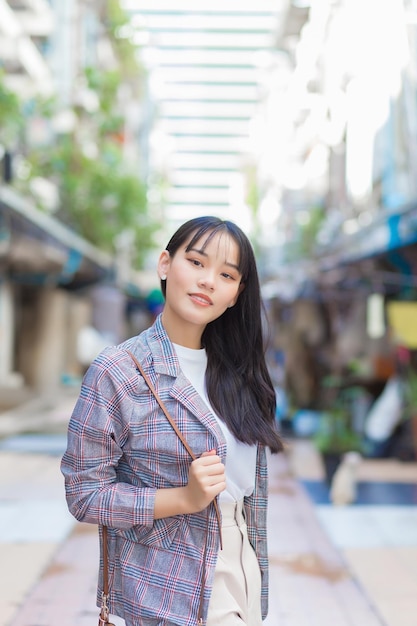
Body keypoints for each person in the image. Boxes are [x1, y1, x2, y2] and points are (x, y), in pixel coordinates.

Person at [61, 216, 283, 626]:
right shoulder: (118, 370)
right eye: (196, 263)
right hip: (163, 585)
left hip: (242, 574)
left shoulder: (241, 375)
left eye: (226, 274)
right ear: (165, 265)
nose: (208, 281)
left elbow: (251, 496)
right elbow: (84, 493)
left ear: (237, 293)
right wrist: (182, 498)